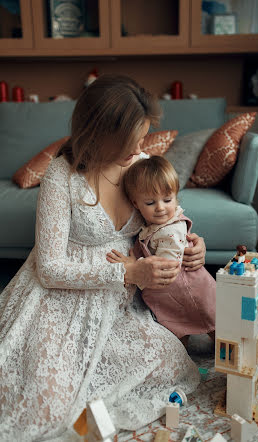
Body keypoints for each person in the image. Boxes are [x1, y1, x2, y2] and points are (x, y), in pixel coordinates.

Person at [0, 74, 206, 441]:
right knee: (44, 406)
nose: (139, 148)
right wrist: (128, 274)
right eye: (130, 140)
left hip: (117, 304)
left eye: (142, 137)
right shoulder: (61, 176)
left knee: (172, 365)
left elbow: (168, 217)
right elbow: (49, 269)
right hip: (57, 299)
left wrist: (192, 242)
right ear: (97, 132)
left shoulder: (141, 163)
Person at [107, 156, 216, 346]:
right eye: (150, 203)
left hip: (190, 291)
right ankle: (183, 355)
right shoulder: (153, 225)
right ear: (135, 204)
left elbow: (166, 267)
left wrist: (134, 266)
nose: (160, 208)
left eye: (167, 199)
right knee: (177, 330)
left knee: (215, 325)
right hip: (173, 296)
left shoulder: (171, 230)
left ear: (176, 196)